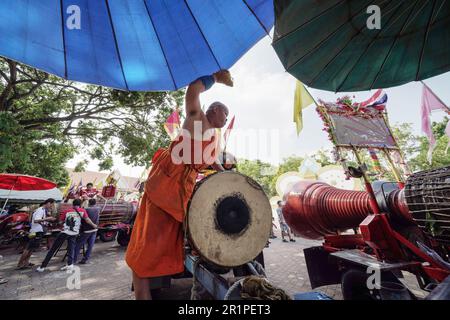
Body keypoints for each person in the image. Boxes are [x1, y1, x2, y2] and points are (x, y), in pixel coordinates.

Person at [126, 70, 233, 300]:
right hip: (164, 185)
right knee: (145, 249)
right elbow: (193, 89)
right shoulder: (196, 118)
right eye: (225, 115)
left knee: (159, 248)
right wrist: (215, 78)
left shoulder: (213, 137)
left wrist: (226, 176)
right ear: (214, 111)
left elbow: (211, 160)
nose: (226, 120)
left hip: (178, 193)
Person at [37, 199, 97, 272]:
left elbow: (60, 221)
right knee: (71, 249)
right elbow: (87, 220)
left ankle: (42, 267)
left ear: (72, 204)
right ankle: (70, 265)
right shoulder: (82, 211)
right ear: (80, 204)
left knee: (53, 249)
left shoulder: (67, 211)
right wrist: (94, 225)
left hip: (65, 232)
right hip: (74, 233)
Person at [16, 198, 56, 269]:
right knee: (28, 248)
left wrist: (47, 220)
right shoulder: (40, 210)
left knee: (31, 248)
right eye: (51, 205)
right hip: (36, 231)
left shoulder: (42, 210)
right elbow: (36, 220)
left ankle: (26, 262)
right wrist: (47, 219)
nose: (51, 207)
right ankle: (20, 264)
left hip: (37, 231)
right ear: (48, 203)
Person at [74, 198, 100, 264]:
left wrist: (82, 201)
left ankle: (73, 259)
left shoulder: (85, 210)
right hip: (94, 230)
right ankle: (85, 259)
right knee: (90, 246)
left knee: (78, 245)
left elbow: (78, 210)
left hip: (86, 230)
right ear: (95, 203)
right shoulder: (98, 209)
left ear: (88, 203)